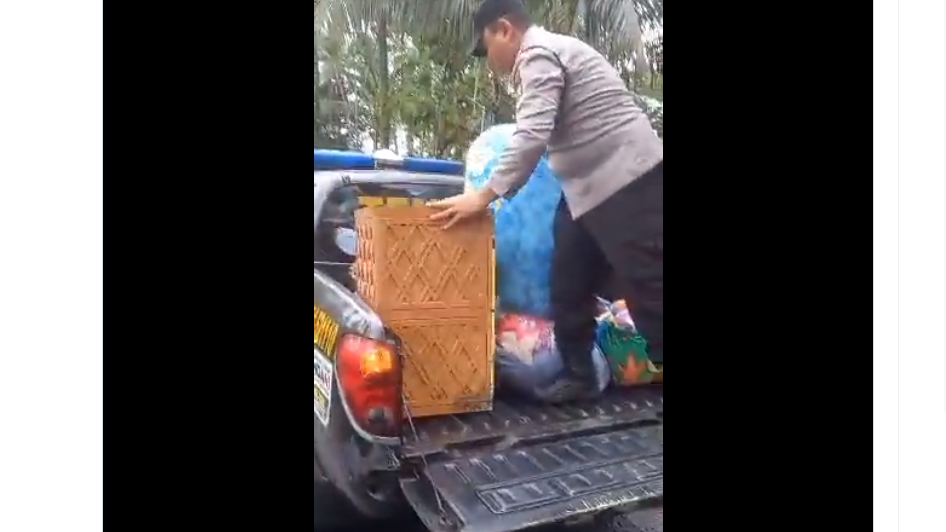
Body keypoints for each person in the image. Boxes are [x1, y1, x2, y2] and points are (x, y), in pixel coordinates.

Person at [429, 0, 663, 403]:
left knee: (650, 285)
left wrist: (483, 197)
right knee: (568, 281)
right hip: (583, 190)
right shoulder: (546, 55)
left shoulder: (538, 53)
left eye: (487, 49)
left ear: (505, 29)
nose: (490, 63)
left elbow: (532, 134)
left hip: (627, 180)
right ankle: (580, 376)